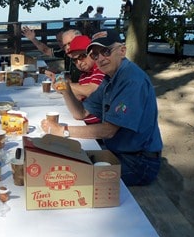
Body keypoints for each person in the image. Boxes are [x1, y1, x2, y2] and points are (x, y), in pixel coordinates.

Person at [41, 29, 163, 186]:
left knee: (70, 178)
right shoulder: (110, 77)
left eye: (106, 51)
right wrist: (66, 90)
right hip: (117, 152)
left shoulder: (131, 80)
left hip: (139, 162)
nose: (100, 58)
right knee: (59, 163)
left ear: (122, 51)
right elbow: (81, 113)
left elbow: (108, 130)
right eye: (95, 55)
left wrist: (62, 131)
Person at [49, 35, 104, 125]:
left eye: (82, 56)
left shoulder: (100, 69)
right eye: (74, 60)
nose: (79, 62)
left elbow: (90, 91)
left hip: (98, 127)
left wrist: (63, 85)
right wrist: (61, 85)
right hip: (84, 121)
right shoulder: (84, 75)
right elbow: (78, 100)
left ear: (92, 53)